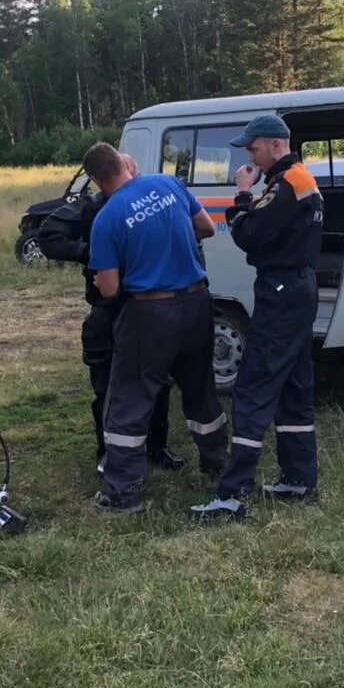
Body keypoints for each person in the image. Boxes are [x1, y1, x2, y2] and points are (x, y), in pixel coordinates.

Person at [82, 142, 229, 512]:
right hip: (196, 302)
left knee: (128, 399)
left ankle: (125, 491)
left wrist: (103, 280)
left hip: (150, 313)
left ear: (98, 181)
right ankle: (218, 464)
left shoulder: (107, 218)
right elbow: (207, 228)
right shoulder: (169, 184)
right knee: (200, 389)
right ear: (124, 164)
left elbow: (111, 288)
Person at [191, 113, 323, 521]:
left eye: (253, 148)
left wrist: (243, 193)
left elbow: (247, 235)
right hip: (299, 287)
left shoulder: (285, 185)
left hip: (281, 291)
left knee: (253, 386)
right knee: (296, 384)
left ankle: (233, 495)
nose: (249, 157)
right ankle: (299, 479)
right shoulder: (301, 179)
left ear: (275, 144)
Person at [34, 154, 183, 475]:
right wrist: (90, 252)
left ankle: (157, 446)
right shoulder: (93, 207)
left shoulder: (151, 199)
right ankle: (108, 452)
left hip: (147, 305)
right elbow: (47, 236)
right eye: (130, 169)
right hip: (109, 308)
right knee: (108, 386)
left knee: (158, 381)